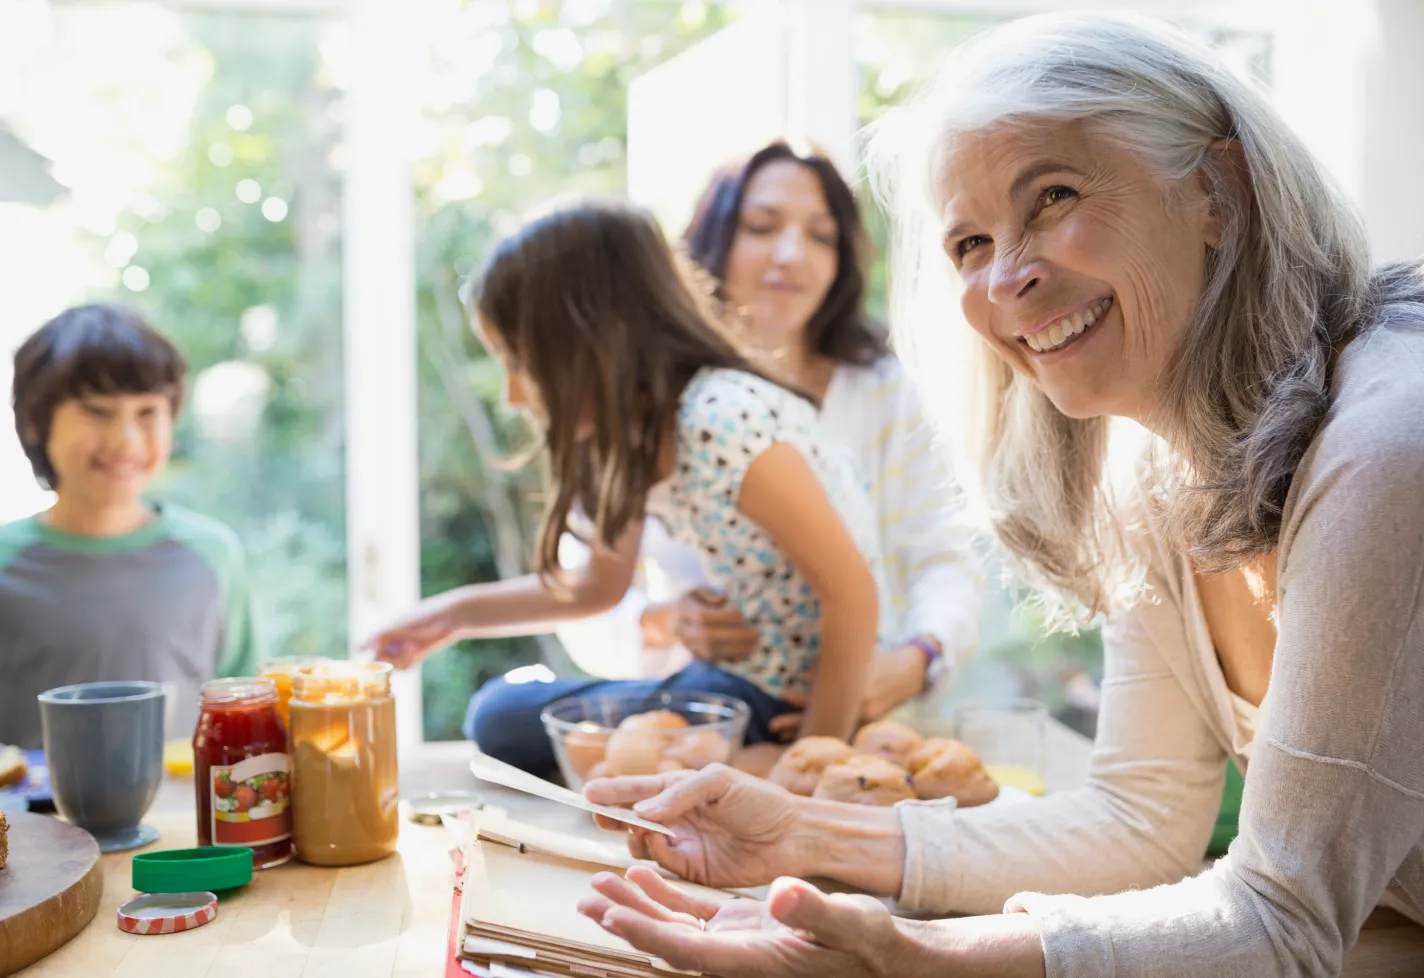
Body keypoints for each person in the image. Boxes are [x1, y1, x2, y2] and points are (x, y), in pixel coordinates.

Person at [574, 13, 1424, 977]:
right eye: (970, 242)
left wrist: (913, 955)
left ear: (1218, 192)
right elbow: (1140, 819)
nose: (1008, 276)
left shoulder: (1386, 448)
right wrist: (807, 839)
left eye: (1053, 196)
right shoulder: (1155, 467)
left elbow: (1281, 919)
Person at [368, 200, 897, 772]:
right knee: (500, 714)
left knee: (501, 716)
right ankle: (732, 759)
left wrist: (813, 759)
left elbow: (853, 594)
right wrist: (450, 615)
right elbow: (597, 587)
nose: (513, 396)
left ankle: (759, 760)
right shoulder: (636, 440)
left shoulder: (722, 420)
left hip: (785, 698)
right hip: (729, 686)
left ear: (594, 342)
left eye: (519, 363)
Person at [550, 139, 980, 735]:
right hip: (703, 712)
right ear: (710, 240)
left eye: (821, 236)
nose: (791, 255)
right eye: (761, 226)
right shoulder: (654, 399)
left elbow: (941, 557)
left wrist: (916, 662)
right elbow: (587, 594)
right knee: (514, 716)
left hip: (862, 721)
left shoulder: (885, 391)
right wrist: (664, 621)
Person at [0, 304, 261, 749]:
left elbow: (246, 718)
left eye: (148, 412)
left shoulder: (213, 555)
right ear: (34, 423)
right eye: (96, 411)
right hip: (27, 819)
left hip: (181, 817)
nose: (126, 441)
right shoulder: (7, 562)